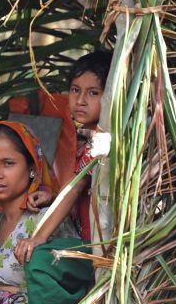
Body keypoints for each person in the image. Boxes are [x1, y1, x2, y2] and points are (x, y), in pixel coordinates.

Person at [15, 50, 113, 263]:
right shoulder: (88, 139)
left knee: (40, 259)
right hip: (89, 242)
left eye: (93, 93)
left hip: (99, 248)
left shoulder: (102, 141)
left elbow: (75, 188)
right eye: (75, 90)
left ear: (110, 96)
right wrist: (52, 196)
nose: (81, 100)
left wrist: (38, 237)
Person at [0, 121, 79, 304]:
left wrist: (16, 291)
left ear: (32, 167)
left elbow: (69, 285)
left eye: (8, 163)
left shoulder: (47, 221)